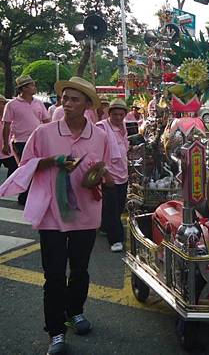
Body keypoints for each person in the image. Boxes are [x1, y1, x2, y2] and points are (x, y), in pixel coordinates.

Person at [0, 76, 114, 355]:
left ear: (88, 105)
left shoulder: (99, 136)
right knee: (53, 275)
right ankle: (56, 332)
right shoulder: (44, 133)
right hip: (52, 214)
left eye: (75, 99)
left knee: (79, 270)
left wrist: (96, 176)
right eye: (65, 98)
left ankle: (75, 312)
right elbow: (25, 165)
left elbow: (107, 173)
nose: (67, 103)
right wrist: (52, 162)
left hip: (86, 213)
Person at [1, 75, 50, 205]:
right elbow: (6, 125)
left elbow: (46, 121)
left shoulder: (39, 103)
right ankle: (23, 197)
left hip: (38, 141)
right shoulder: (12, 104)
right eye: (32, 85)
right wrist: (5, 144)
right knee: (25, 169)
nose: (34, 87)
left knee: (38, 168)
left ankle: (31, 195)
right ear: (23, 88)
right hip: (20, 141)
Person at [96, 99, 129, 253]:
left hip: (123, 172)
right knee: (112, 207)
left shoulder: (123, 128)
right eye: (115, 114)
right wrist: (105, 173)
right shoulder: (101, 127)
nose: (118, 117)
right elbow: (95, 153)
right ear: (109, 114)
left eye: (121, 114)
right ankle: (116, 239)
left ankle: (104, 226)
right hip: (108, 174)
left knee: (119, 206)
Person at [0, 95, 18, 180]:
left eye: (5, 103)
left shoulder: (9, 119)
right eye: (3, 103)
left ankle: (7, 187)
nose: (4, 105)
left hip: (8, 150)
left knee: (14, 167)